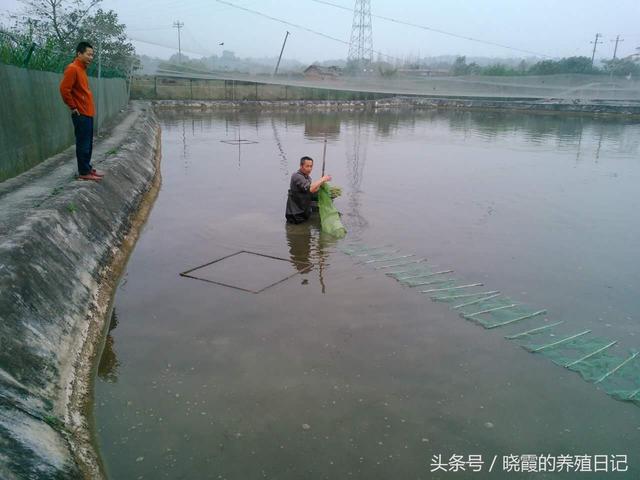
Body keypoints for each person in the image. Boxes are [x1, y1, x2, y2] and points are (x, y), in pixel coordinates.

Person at [59, 41, 104, 182]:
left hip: (87, 112)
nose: (91, 57)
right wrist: (73, 107)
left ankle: (87, 168)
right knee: (83, 143)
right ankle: (83, 171)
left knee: (88, 142)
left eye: (92, 55)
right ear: (79, 54)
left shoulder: (82, 69)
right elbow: (64, 90)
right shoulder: (72, 69)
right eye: (88, 54)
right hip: (81, 113)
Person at [285, 156, 331, 224]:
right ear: (301, 166)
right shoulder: (296, 176)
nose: (309, 169)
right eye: (307, 166)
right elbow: (310, 189)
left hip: (304, 213)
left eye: (311, 166)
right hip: (295, 215)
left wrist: (322, 186)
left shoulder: (308, 178)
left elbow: (313, 190)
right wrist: (322, 179)